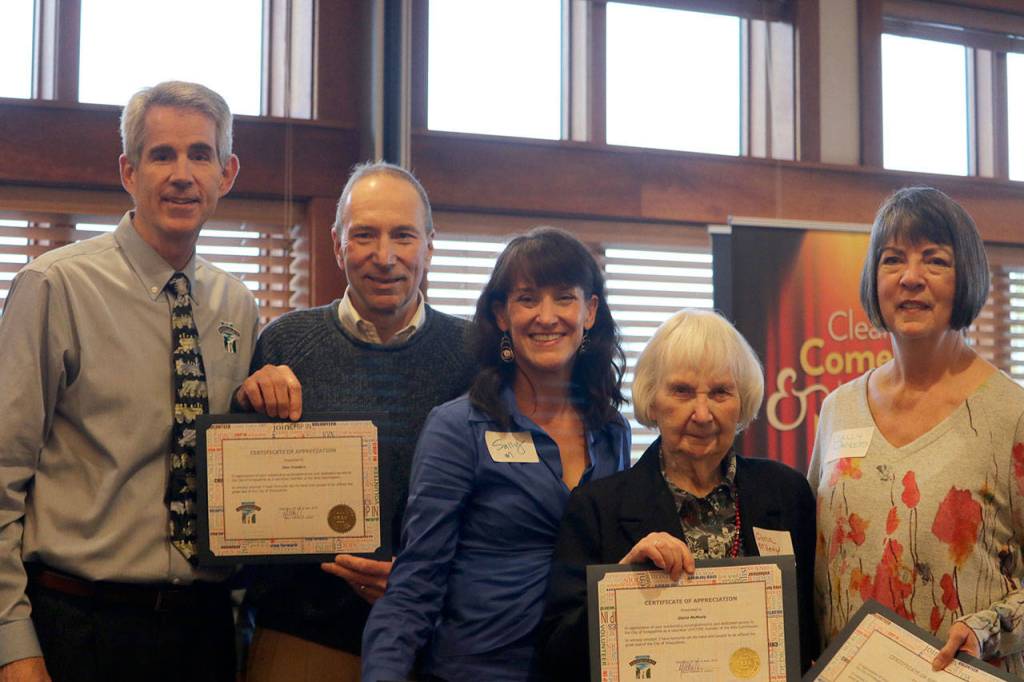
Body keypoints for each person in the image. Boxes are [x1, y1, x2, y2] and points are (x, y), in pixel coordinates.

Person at [0, 81, 254, 682]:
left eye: (201, 154)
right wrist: (12, 640)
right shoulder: (54, 287)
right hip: (79, 625)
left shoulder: (236, 304)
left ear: (228, 172)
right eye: (162, 155)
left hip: (204, 629)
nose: (182, 174)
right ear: (128, 171)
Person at [237, 162, 478, 681]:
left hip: (439, 640)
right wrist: (244, 402)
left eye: (404, 236)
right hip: (304, 637)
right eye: (364, 234)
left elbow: (500, 506)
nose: (384, 256)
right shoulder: (284, 344)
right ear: (337, 244)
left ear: (430, 245)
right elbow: (245, 502)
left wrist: (419, 583)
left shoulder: (475, 356)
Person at [361, 226, 631, 681]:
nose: (547, 317)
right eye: (527, 299)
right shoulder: (457, 427)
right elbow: (416, 581)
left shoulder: (611, 431)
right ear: (502, 315)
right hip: (476, 669)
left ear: (589, 312)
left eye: (564, 298)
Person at [809, 187, 1024, 676]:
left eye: (935, 260)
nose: (911, 278)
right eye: (892, 260)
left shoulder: (1012, 414)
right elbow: (815, 563)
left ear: (965, 275)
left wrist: (990, 627)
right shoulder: (837, 410)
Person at [537, 308, 819, 680]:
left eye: (720, 392)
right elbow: (557, 653)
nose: (702, 414)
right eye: (682, 391)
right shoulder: (597, 508)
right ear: (652, 400)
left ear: (742, 402)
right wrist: (620, 586)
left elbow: (810, 631)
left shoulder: (787, 493)